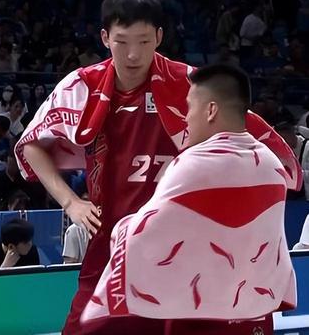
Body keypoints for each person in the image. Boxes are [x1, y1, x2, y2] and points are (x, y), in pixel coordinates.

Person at [15, 0, 301, 335]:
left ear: (159, 37)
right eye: (122, 42)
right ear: (105, 38)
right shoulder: (83, 85)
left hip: (191, 247)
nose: (133, 54)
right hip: (114, 243)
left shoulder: (192, 84)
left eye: (144, 41)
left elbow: (253, 144)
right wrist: (71, 202)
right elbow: (32, 145)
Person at [81, 64, 298, 334]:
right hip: (254, 312)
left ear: (211, 110)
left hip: (201, 314)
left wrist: (120, 228)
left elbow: (141, 236)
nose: (185, 118)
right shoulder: (272, 164)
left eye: (189, 108)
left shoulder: (193, 164)